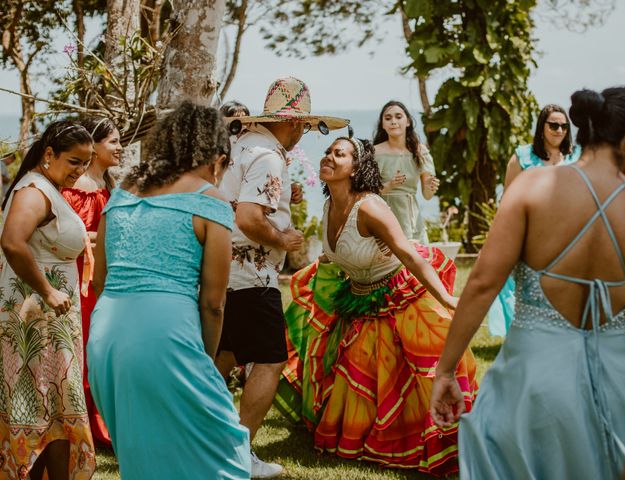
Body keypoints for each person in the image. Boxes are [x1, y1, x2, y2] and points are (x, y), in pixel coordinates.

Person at [430, 87, 625, 479]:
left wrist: (446, 371)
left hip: (532, 386)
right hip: (621, 389)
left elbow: (481, 284)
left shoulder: (533, 187)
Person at [275, 136, 477, 477]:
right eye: (327, 152)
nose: (328, 157)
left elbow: (409, 254)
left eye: (339, 154)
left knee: (415, 375)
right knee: (362, 380)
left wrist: (445, 298)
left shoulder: (370, 207)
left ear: (357, 167)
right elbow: (338, 252)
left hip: (399, 294)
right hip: (357, 296)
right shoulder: (328, 207)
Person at [87, 102, 251, 479]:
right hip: (166, 333)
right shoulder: (211, 202)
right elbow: (213, 302)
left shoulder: (124, 191)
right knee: (220, 454)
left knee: (143, 453)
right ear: (216, 156)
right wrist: (207, 363)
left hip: (107, 336)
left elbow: (99, 280)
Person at [215, 76, 348, 478]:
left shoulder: (239, 146)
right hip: (250, 274)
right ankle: (239, 453)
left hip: (221, 269)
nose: (303, 135)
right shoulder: (269, 155)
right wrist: (284, 238)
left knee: (223, 357)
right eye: (305, 127)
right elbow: (248, 218)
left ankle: (208, 444)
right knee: (271, 361)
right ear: (291, 123)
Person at [0, 120, 96, 479]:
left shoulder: (47, 187)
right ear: (49, 154)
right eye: (74, 161)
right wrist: (48, 290)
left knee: (55, 408)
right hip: (35, 321)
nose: (81, 170)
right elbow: (12, 242)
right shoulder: (34, 190)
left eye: (86, 162)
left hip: (50, 321)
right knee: (44, 406)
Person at [488, 104, 583, 336]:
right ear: (542, 128)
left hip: (569, 233)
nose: (559, 130)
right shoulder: (523, 156)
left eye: (563, 126)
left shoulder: (576, 156)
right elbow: (508, 198)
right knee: (527, 287)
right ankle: (525, 333)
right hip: (531, 232)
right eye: (553, 125)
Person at [62, 116, 121, 446]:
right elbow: (78, 235)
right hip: (86, 281)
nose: (119, 146)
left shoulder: (108, 184)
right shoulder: (80, 187)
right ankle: (92, 427)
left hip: (110, 278)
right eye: (112, 140)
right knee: (88, 348)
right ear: (93, 145)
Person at [373, 100, 439, 243]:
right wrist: (390, 185)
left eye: (398, 116)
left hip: (412, 221)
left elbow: (427, 195)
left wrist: (431, 187)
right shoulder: (374, 153)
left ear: (408, 121)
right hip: (382, 219)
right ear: (383, 124)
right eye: (388, 118)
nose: (393, 121)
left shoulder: (420, 152)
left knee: (419, 262)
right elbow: (367, 195)